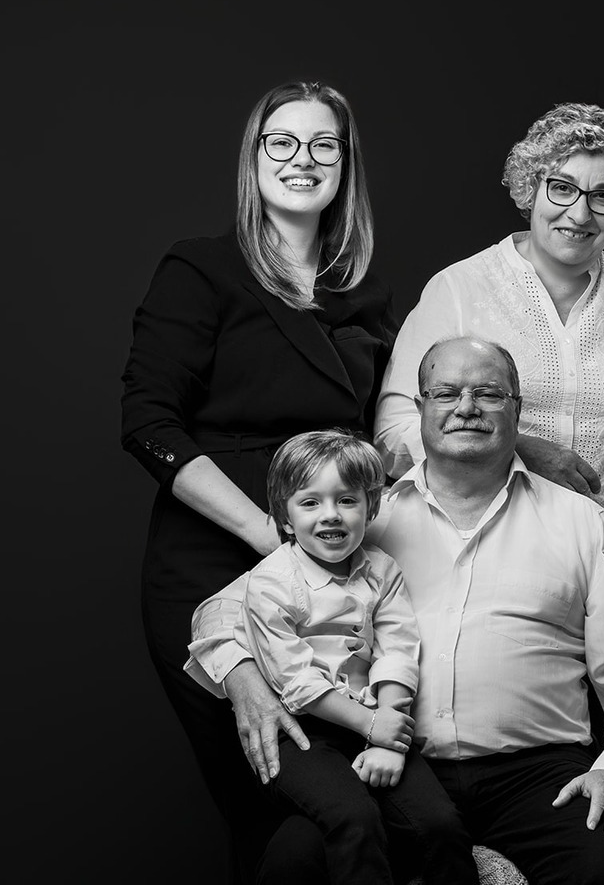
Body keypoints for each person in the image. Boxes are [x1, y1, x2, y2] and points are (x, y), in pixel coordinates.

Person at [189, 337, 604, 885]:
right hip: (387, 766)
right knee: (293, 861)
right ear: (420, 409)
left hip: (537, 773)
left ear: (517, 408)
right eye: (446, 393)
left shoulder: (583, 522)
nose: (466, 407)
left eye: (488, 393)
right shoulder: (360, 519)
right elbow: (220, 611)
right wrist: (244, 681)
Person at [120, 81, 397, 883]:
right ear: (254, 157)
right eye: (282, 141)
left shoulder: (363, 294)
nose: (302, 159)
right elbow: (146, 423)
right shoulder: (202, 268)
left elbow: (382, 435)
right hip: (214, 574)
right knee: (268, 802)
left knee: (337, 812)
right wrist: (262, 533)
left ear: (345, 165)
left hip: (327, 583)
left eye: (324, 144)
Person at [189, 428, 470, 885]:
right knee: (353, 818)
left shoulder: (383, 570)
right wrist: (370, 726)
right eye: (310, 502)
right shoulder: (270, 582)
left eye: (347, 500)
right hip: (303, 731)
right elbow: (296, 680)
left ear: (370, 508)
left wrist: (387, 730)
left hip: (375, 716)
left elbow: (398, 649)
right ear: (284, 518)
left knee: (440, 825)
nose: (331, 514)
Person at [375, 102, 604, 540]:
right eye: (562, 188)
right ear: (531, 187)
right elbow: (393, 434)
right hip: (485, 549)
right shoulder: (460, 289)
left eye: (603, 195)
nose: (580, 214)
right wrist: (514, 450)